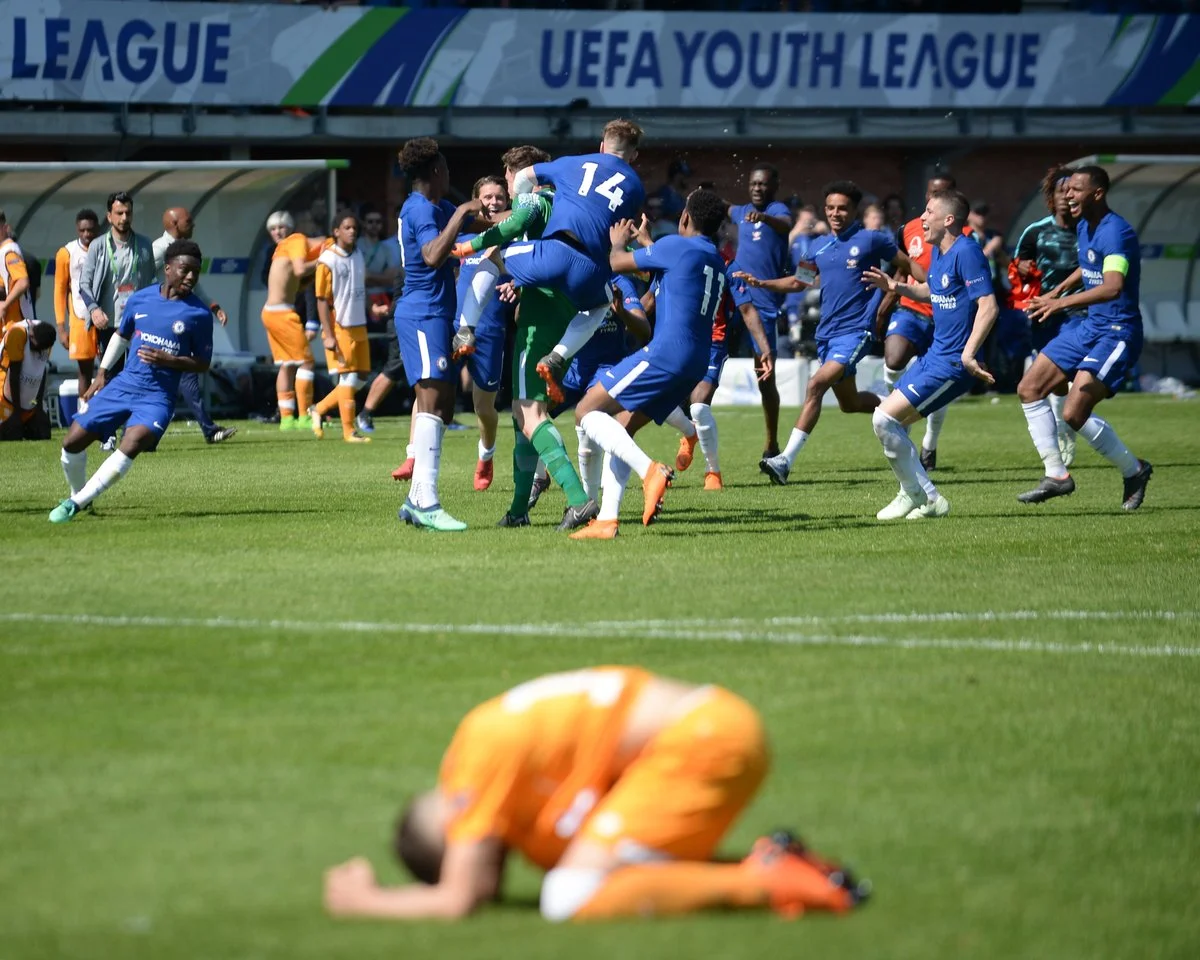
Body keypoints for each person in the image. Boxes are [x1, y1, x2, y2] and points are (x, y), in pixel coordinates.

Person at [323, 666, 868, 922]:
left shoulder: (470, 777)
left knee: (568, 897)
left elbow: (458, 900)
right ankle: (771, 865)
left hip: (700, 742)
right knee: (600, 871)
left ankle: (763, 881)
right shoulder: (487, 742)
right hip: (714, 725)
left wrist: (364, 900)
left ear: (452, 831)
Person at [570, 189, 735, 540]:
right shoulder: (714, 258)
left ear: (684, 218)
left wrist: (617, 242)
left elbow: (616, 264)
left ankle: (650, 472)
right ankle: (607, 521)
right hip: (694, 362)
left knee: (586, 411)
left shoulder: (676, 245)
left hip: (666, 353)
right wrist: (646, 243)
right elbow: (670, 280)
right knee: (623, 427)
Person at [743, 181, 915, 486]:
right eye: (830, 208)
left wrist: (893, 296)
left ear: (855, 211)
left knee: (816, 384)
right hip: (827, 335)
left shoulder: (871, 240)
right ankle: (900, 407)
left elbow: (907, 265)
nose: (835, 213)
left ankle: (785, 461)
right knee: (849, 404)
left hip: (856, 331)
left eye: (842, 208)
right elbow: (798, 283)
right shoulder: (817, 245)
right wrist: (762, 283)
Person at [1017, 165, 1151, 510]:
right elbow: (1089, 265)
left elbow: (1112, 286)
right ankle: (1057, 475)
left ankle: (1133, 470)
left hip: (1117, 331)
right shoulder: (1085, 227)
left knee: (1074, 414)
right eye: (1066, 190)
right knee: (1029, 388)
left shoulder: (1116, 232)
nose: (1068, 195)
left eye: (1076, 190)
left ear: (1097, 194)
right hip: (1090, 326)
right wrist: (1056, 291)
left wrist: (1060, 302)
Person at [49, 241, 212, 523]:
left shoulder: (198, 314)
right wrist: (102, 373)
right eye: (186, 270)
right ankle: (79, 493)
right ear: (169, 268)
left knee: (133, 442)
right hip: (124, 385)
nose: (191, 277)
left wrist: (168, 360)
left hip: (158, 397)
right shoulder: (140, 300)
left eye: (196, 272)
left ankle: (75, 503)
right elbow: (122, 336)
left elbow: (203, 363)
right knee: (72, 442)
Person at [862, 190, 999, 520]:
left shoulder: (967, 251)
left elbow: (988, 306)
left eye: (928, 212)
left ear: (948, 219)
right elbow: (932, 291)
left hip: (952, 363)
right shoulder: (939, 251)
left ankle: (923, 496)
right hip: (934, 355)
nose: (921, 218)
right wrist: (895, 288)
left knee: (884, 419)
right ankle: (917, 494)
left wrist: (969, 355)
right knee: (894, 424)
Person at [503, 119, 647, 406]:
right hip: (588, 269)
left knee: (492, 253)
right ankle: (558, 356)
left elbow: (522, 177)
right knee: (601, 305)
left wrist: (522, 208)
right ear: (634, 156)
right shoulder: (635, 188)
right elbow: (615, 233)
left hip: (550, 254)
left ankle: (467, 324)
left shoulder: (570, 163)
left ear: (602, 145)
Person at [393, 137, 484, 532]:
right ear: (434, 172)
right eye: (446, 169)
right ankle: (426, 501)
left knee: (444, 405)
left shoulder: (437, 208)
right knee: (431, 401)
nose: (450, 176)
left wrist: (532, 211)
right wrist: (463, 209)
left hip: (436, 316)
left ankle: (416, 499)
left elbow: (490, 225)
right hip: (421, 314)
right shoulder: (419, 210)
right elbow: (432, 255)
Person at [527, 273, 653, 516]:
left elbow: (644, 329)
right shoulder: (567, 275)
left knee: (586, 419)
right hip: (573, 368)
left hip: (606, 368)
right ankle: (540, 476)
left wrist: (621, 312)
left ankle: (587, 502)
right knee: (532, 409)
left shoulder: (619, 282)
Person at [878, 173, 953, 470]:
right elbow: (902, 266)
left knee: (937, 380)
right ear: (926, 196)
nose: (936, 198)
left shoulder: (965, 237)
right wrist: (886, 303)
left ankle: (930, 444)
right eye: (933, 193)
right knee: (893, 360)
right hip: (911, 308)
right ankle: (897, 420)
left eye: (944, 193)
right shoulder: (908, 229)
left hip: (944, 316)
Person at [1011, 165, 1082, 467]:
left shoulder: (1090, 230)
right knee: (1055, 384)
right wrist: (1022, 268)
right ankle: (1065, 429)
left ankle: (1068, 427)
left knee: (1072, 377)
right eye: (1059, 190)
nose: (1066, 195)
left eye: (1071, 190)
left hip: (1080, 312)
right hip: (1043, 314)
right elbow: (1018, 266)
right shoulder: (1036, 231)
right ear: (1050, 197)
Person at [152, 206, 236, 445]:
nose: (193, 225)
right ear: (174, 224)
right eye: (189, 221)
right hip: (161, 323)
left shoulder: (185, 251)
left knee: (188, 376)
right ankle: (135, 432)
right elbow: (141, 278)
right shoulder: (159, 250)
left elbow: (194, 287)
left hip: (180, 319)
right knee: (158, 381)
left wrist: (213, 306)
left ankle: (208, 430)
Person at [452, 175, 514, 490]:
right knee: (431, 389)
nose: (492, 203)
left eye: (499, 198)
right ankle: (414, 457)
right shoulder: (461, 238)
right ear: (476, 201)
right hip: (456, 327)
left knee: (483, 407)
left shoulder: (516, 240)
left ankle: (486, 454)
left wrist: (510, 280)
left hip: (490, 333)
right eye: (486, 197)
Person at [727, 163, 791, 457]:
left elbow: (785, 225)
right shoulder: (740, 212)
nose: (757, 188)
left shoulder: (778, 211)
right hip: (734, 297)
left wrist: (764, 217)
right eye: (753, 183)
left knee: (765, 378)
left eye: (763, 184)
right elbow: (723, 208)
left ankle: (772, 443)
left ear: (774, 186)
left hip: (762, 304)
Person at [311, 213, 385, 444]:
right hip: (339, 326)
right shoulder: (327, 260)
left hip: (359, 324)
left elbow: (358, 287)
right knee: (347, 378)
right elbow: (321, 299)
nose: (352, 231)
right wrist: (329, 334)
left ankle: (319, 408)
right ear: (336, 231)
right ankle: (348, 431)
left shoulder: (358, 255)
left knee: (361, 378)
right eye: (346, 227)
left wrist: (372, 308)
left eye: (354, 227)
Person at [260, 210, 325, 432]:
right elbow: (299, 269)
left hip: (271, 311)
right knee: (306, 362)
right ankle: (304, 415)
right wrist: (323, 259)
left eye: (281, 227)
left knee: (286, 365)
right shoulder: (297, 240)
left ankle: (287, 419)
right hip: (282, 312)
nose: (277, 232)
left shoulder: (282, 248)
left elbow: (296, 280)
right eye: (273, 228)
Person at [54, 209, 101, 398]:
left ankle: (107, 417)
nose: (87, 234)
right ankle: (84, 413)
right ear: (77, 229)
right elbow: (60, 290)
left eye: (90, 230)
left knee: (109, 370)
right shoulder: (66, 253)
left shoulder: (106, 247)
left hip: (105, 315)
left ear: (97, 228)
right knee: (85, 371)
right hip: (80, 317)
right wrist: (61, 328)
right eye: (82, 230)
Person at [0, 318, 56, 440]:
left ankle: (26, 424)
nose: (40, 352)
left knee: (43, 434)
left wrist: (39, 406)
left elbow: (41, 372)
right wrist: (16, 413)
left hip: (30, 401)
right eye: (37, 348)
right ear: (31, 337)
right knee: (12, 434)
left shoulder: (46, 336)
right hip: (6, 394)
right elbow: (14, 375)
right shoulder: (18, 334)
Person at [0, 210, 34, 334]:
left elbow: (23, 282)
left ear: (5, 228)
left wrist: (5, 305)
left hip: (16, 322)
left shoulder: (9, 251)